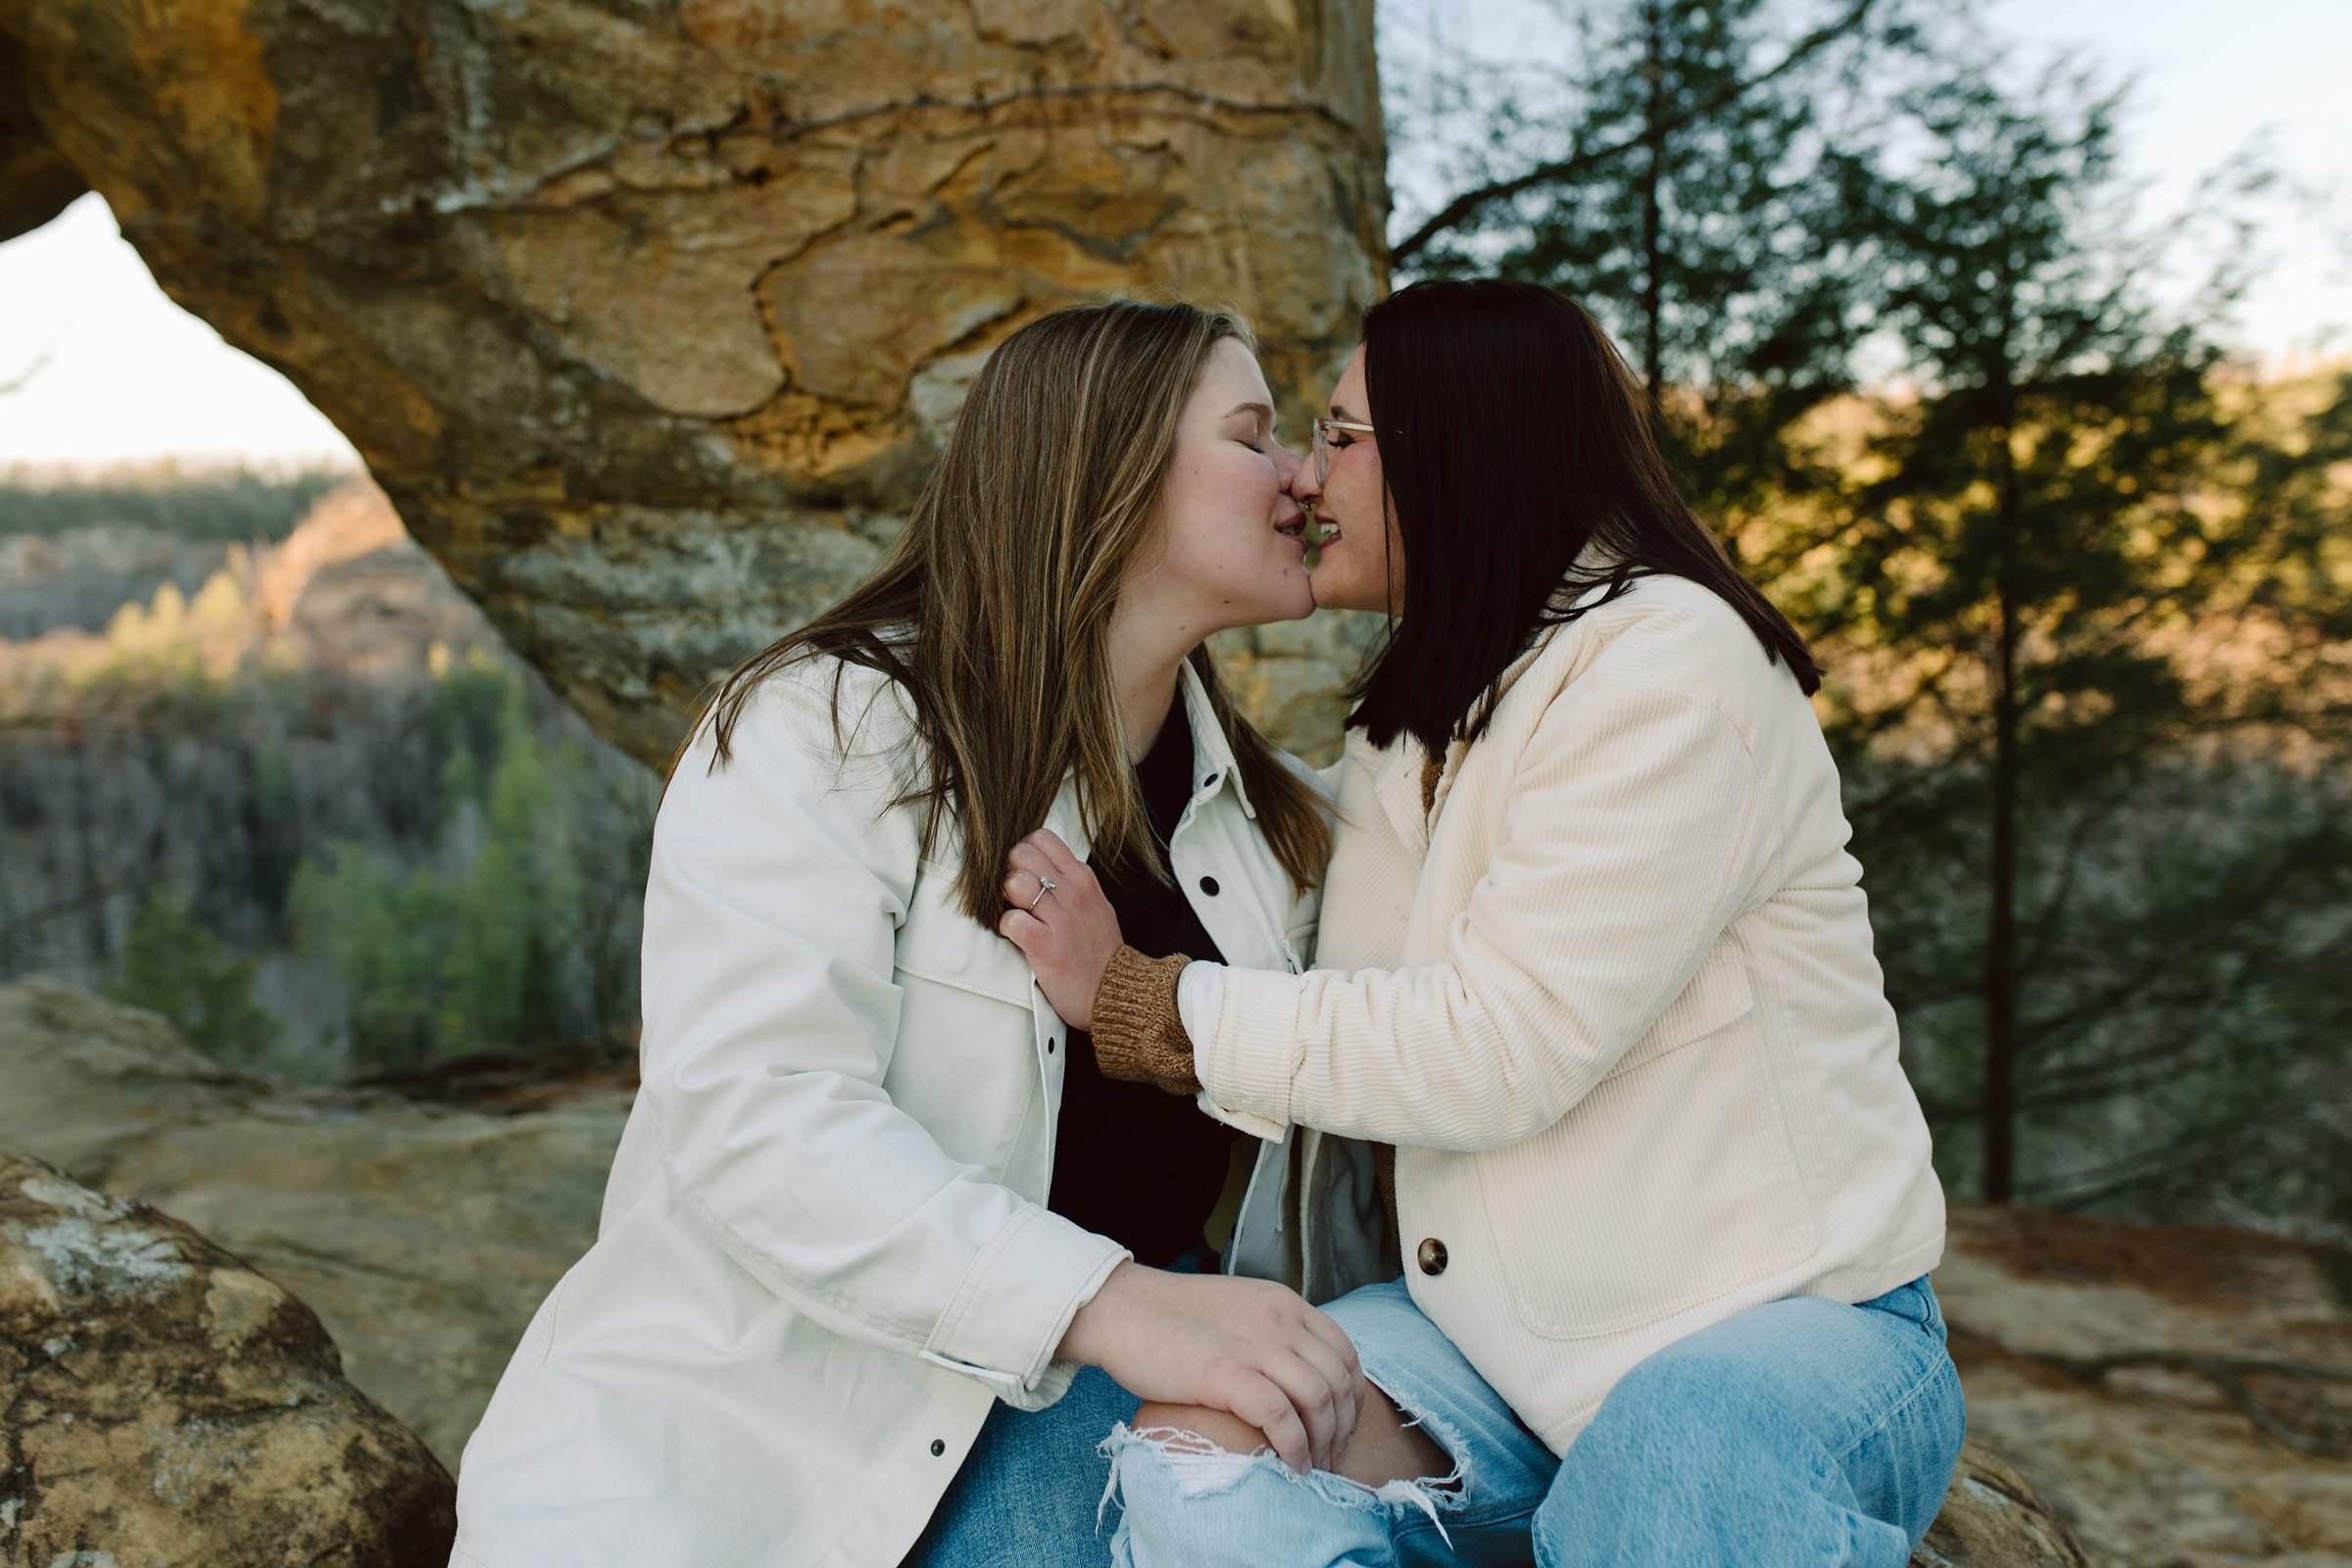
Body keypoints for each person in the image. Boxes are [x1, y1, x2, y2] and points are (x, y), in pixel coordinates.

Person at [1001, 278, 1964, 1567]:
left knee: (1673, 1461)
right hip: (1495, 1343)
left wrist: (1141, 1003)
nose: (1304, 478)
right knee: (1210, 1443)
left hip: (1784, 1323)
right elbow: (1309, 934)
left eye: (1340, 437)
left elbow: (1497, 1046)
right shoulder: (1429, 710)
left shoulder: (1672, 666)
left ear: (1457, 451)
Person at [447, 301, 1397, 1568]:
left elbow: (1436, 1034)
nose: (1298, 477)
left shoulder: (1274, 820)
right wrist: (1109, 1303)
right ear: (1107, 475)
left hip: (1119, 1400)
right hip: (787, 1429)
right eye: (1253, 434)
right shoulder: (826, 728)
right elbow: (758, 1113)